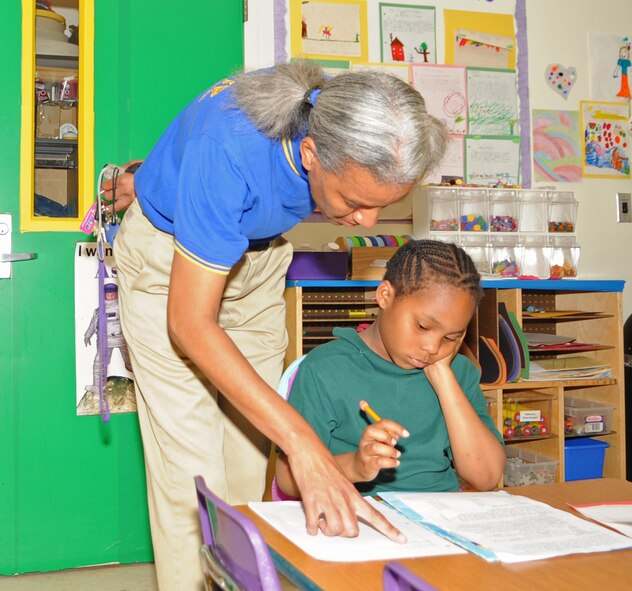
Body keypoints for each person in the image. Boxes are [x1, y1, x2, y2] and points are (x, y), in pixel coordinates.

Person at [106, 60, 448, 590]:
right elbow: (190, 324)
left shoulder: (348, 110)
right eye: (356, 203)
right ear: (310, 154)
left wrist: (165, 170)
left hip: (257, 261)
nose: (367, 223)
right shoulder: (229, 152)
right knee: (194, 477)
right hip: (170, 275)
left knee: (246, 467)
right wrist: (307, 445)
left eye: (383, 206)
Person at [276, 240, 505, 498]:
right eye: (422, 327)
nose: (432, 347)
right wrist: (355, 466)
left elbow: (485, 476)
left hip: (440, 517)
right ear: (385, 295)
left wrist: (442, 378)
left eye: (451, 337)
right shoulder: (325, 370)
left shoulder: (458, 372)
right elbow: (286, 479)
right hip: (358, 517)